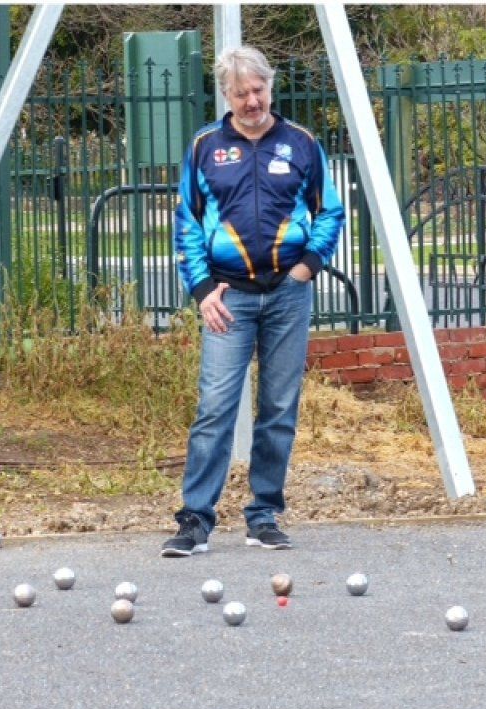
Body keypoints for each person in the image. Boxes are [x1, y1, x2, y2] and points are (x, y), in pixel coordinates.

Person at [161, 46, 345, 557]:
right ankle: (195, 520)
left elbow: (330, 212)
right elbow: (187, 224)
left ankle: (264, 515)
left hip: (289, 294)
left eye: (258, 89)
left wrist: (309, 264)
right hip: (227, 298)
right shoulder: (204, 147)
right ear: (227, 95)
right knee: (215, 409)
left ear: (270, 86)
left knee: (279, 408)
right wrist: (200, 291)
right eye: (240, 93)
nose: (251, 101)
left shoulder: (303, 144)